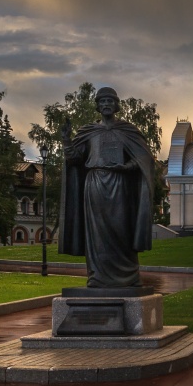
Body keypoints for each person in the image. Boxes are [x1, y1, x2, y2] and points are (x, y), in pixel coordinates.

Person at [59, 87, 155, 288]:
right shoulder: (89, 131)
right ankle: (97, 277)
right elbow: (75, 158)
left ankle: (129, 276)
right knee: (97, 232)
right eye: (102, 102)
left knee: (121, 228)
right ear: (97, 106)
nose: (106, 105)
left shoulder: (127, 130)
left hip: (120, 184)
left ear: (116, 105)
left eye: (109, 101)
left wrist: (126, 166)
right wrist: (66, 139)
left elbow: (144, 158)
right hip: (94, 184)